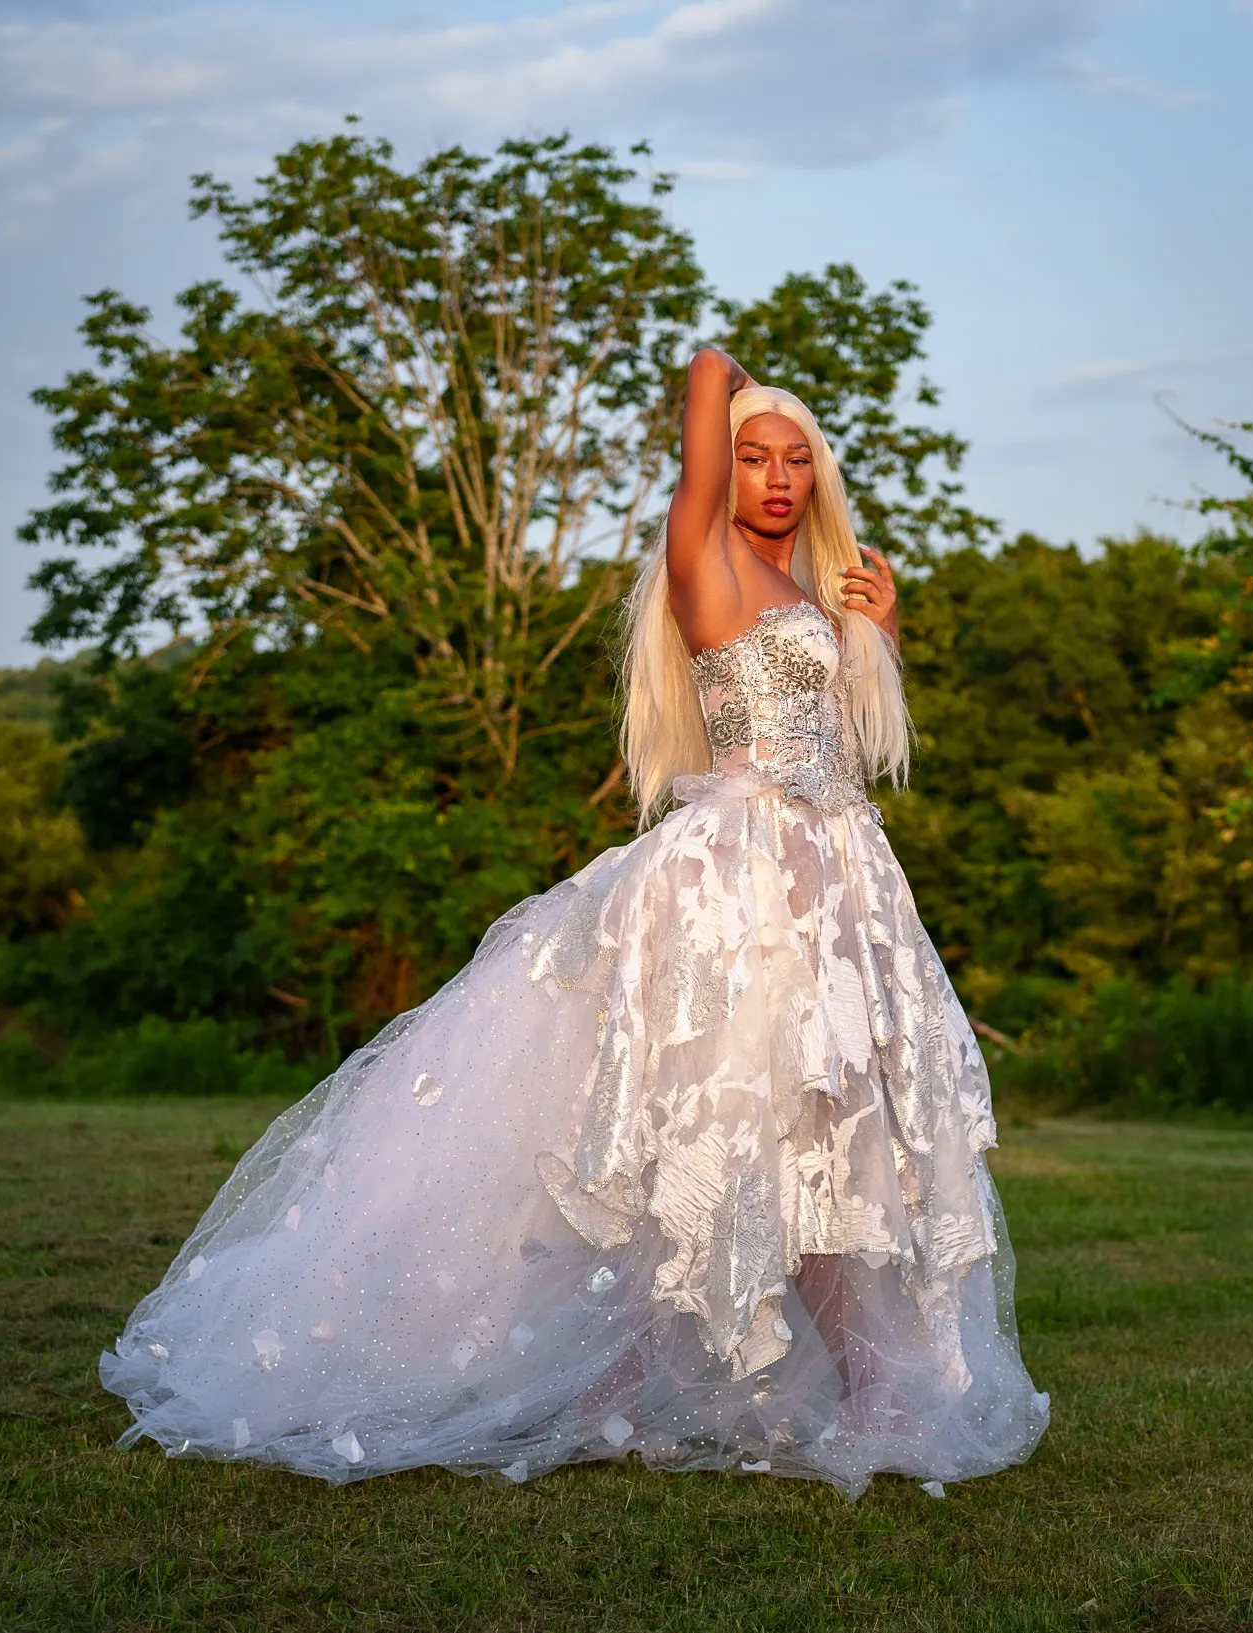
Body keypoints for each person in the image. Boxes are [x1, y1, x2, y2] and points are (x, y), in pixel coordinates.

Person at [99, 348, 1050, 1499]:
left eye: (798, 459)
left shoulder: (806, 589)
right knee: (728, 1138)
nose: (779, 476)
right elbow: (705, 369)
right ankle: (672, 1387)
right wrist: (741, 384)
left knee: (833, 1136)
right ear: (723, 474)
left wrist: (880, 634)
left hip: (837, 880)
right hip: (735, 888)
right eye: (754, 459)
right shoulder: (701, 565)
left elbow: (843, 748)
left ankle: (803, 1391)